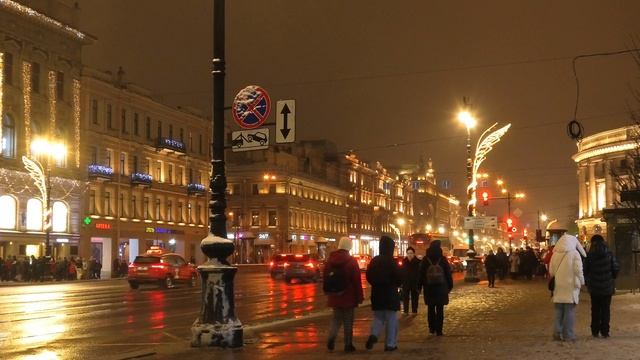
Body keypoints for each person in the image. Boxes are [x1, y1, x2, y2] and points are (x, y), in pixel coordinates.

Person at [324, 237, 363, 353]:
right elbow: (356, 281)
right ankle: (348, 345)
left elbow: (326, 276)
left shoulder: (330, 260)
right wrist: (359, 297)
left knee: (336, 319)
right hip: (348, 296)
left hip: (334, 295)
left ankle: (331, 337)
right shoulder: (351, 261)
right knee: (348, 321)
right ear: (349, 247)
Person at [365, 235, 402, 352]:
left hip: (377, 294)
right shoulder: (391, 262)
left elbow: (368, 276)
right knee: (391, 319)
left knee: (378, 317)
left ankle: (374, 335)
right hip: (390, 294)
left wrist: (376, 284)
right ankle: (390, 344)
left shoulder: (374, 261)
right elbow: (399, 277)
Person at [549, 234, 585, 342]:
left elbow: (551, 272)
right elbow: (578, 270)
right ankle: (568, 334)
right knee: (569, 311)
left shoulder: (554, 255)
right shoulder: (575, 254)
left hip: (559, 286)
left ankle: (556, 333)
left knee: (558, 311)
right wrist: (582, 281)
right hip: (570, 286)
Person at [584, 234, 619, 338]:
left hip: (594, 287)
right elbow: (616, 268)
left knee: (595, 309)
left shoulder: (590, 255)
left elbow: (585, 270)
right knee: (605, 309)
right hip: (607, 286)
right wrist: (611, 276)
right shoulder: (609, 253)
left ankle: (595, 331)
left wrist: (588, 281)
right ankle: (605, 331)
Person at [418, 240, 453, 336]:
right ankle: (439, 330)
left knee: (430, 309)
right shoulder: (442, 259)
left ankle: (431, 329)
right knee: (440, 309)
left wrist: (419, 286)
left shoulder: (425, 259)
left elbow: (420, 274)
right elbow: (448, 274)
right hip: (441, 288)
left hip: (429, 288)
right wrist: (449, 286)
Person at [401, 247, 421, 314]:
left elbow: (420, 273)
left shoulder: (418, 262)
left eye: (411, 253)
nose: (409, 255)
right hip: (406, 283)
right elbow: (401, 272)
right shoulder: (404, 262)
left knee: (415, 298)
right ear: (406, 254)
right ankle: (406, 311)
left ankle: (414, 311)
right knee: (405, 298)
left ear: (414, 254)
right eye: (408, 253)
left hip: (415, 283)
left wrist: (419, 283)